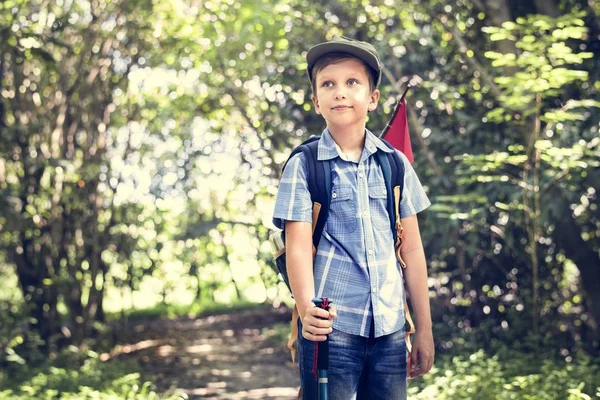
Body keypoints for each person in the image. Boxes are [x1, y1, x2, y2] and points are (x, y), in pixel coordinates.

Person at [272, 36, 434, 399]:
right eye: (327, 84)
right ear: (316, 101)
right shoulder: (304, 165)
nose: (339, 92)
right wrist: (306, 307)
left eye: (352, 82)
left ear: (372, 98)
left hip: (391, 332)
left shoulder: (395, 164)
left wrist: (423, 327)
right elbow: (297, 247)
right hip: (331, 333)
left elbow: (412, 252)